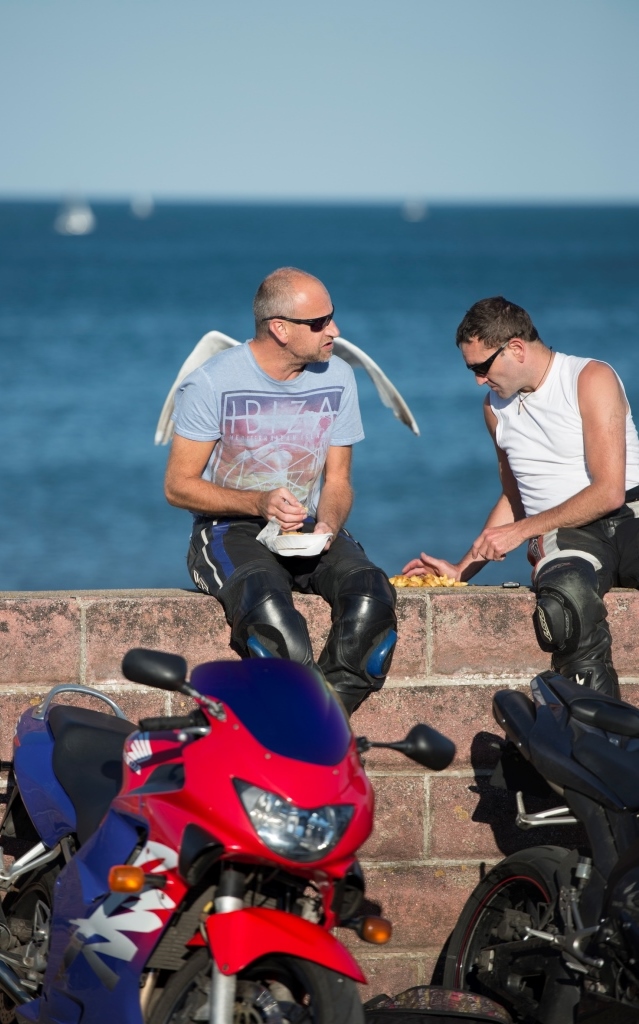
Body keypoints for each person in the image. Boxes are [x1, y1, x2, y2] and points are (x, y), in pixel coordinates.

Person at [164, 267, 397, 716]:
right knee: (271, 616)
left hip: (305, 526)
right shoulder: (212, 381)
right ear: (280, 329)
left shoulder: (338, 377)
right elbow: (178, 486)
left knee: (371, 596)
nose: (335, 330)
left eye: (332, 317)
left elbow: (339, 481)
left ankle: (318, 723)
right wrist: (257, 502)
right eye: (320, 323)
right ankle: (308, 732)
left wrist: (328, 524)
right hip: (227, 529)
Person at [404, 296, 639, 698]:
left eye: (482, 367)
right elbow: (514, 496)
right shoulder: (494, 408)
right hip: (566, 534)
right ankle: (598, 732)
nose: (478, 379)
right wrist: (463, 570)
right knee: (565, 602)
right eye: (471, 370)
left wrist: (521, 530)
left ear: (515, 348)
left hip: (629, 514)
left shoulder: (589, 377)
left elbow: (608, 492)